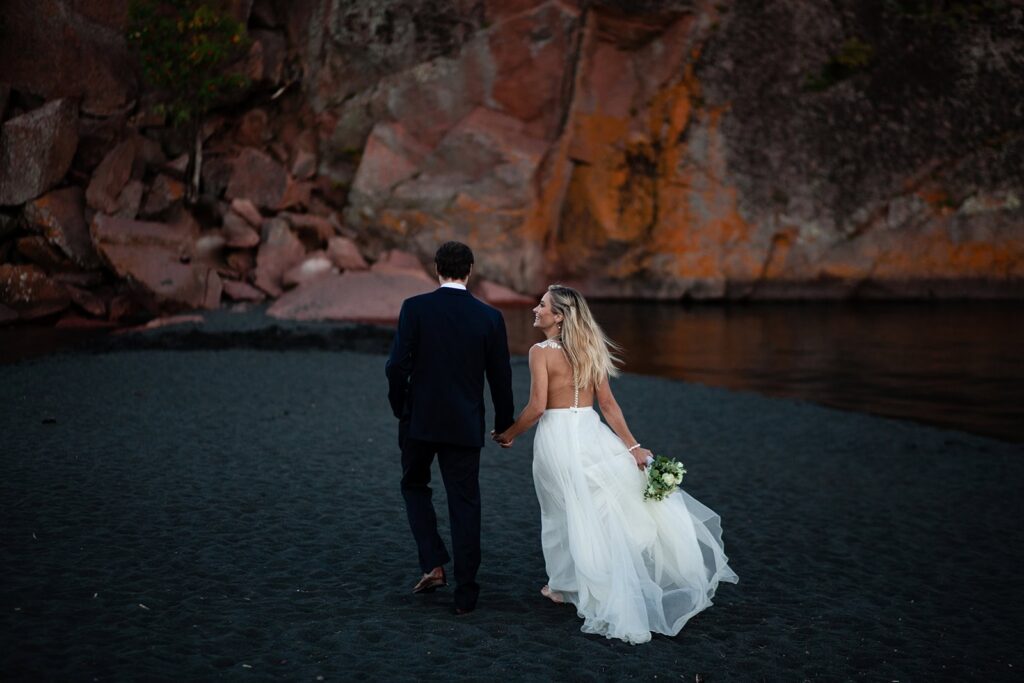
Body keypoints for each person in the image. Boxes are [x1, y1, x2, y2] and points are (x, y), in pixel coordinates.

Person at [494, 285, 737, 644]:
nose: (536, 309)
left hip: (558, 438)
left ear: (558, 316)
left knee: (559, 511)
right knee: (592, 508)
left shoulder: (539, 352)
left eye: (542, 305)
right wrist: (633, 446)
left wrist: (509, 434)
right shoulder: (590, 350)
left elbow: (537, 408)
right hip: (590, 432)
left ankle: (563, 586)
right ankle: (579, 581)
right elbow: (607, 406)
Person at [385, 241, 515, 616]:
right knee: (465, 503)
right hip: (464, 424)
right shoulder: (489, 317)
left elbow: (396, 366)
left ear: (436, 269)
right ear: (470, 269)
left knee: (413, 485)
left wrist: (402, 408)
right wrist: (503, 424)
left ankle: (433, 561)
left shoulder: (415, 308)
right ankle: (466, 593)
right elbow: (500, 378)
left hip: (419, 421)